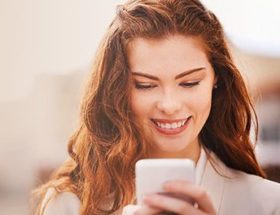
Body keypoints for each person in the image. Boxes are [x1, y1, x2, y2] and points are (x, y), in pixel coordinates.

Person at [33, 0, 280, 214]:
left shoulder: (268, 204)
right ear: (117, 89)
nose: (169, 105)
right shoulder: (69, 203)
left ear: (217, 79)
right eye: (145, 85)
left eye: (189, 83)